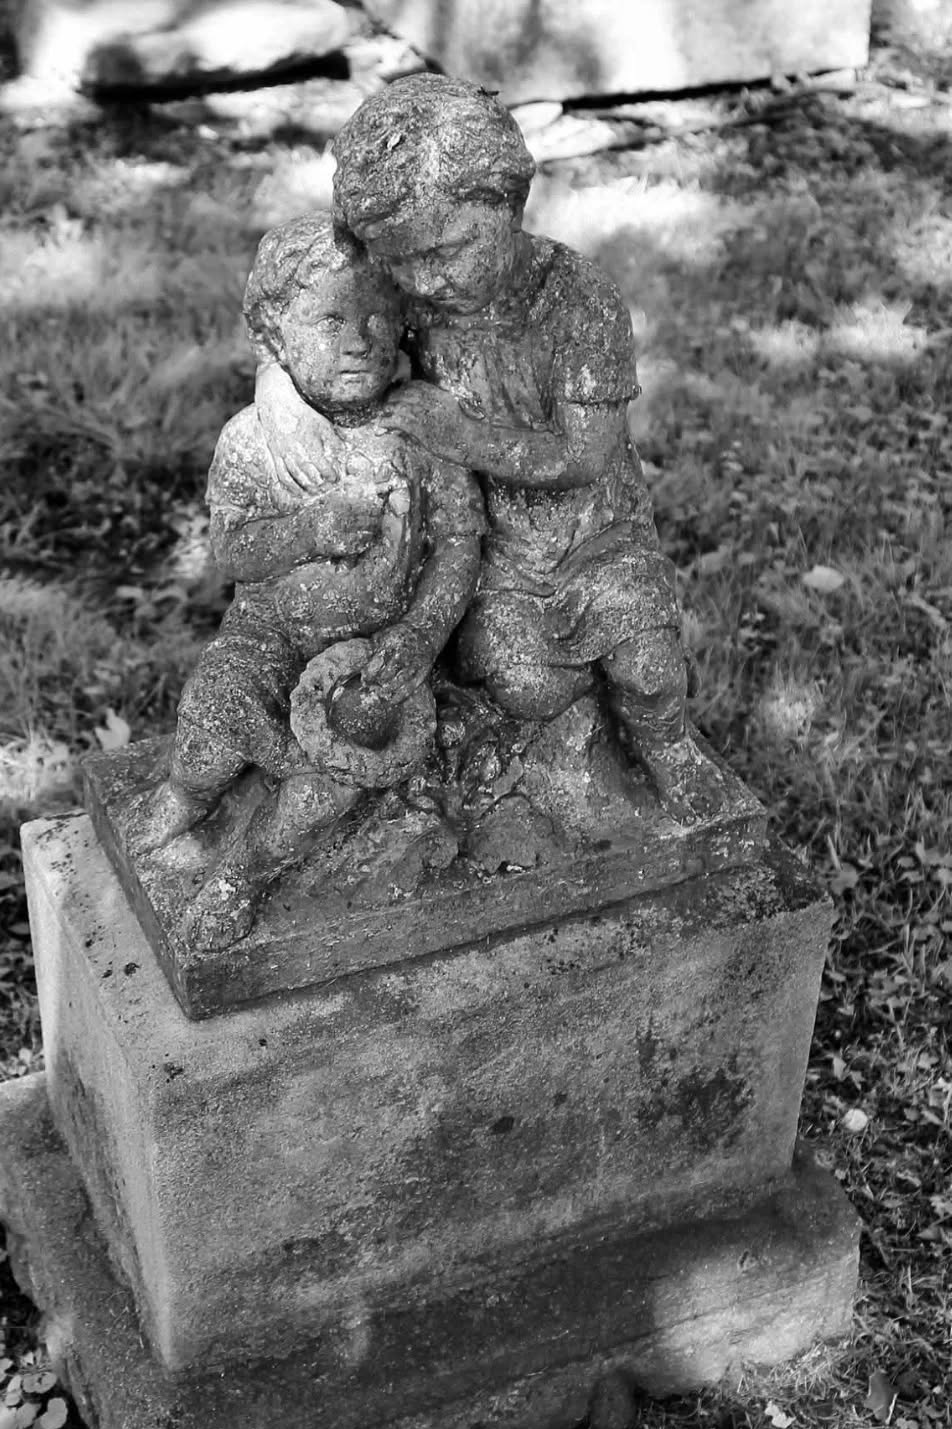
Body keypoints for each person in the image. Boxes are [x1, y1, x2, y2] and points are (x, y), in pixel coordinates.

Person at [260, 74, 727, 825]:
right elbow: (312, 344)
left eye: (448, 251)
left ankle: (667, 751)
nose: (427, 280)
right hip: (488, 552)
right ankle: (552, 742)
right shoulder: (410, 304)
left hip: (594, 540)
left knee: (646, 669)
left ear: (507, 205)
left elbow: (585, 455)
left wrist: (458, 434)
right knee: (525, 684)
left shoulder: (577, 300)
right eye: (401, 263)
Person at [137, 211, 484, 945]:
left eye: (377, 319)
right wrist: (309, 530)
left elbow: (457, 545)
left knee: (332, 777)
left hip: (372, 649)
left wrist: (419, 637)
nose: (358, 340)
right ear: (276, 336)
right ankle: (187, 795)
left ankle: (242, 875)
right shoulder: (255, 440)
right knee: (211, 718)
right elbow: (230, 551)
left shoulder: (420, 433)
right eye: (329, 320)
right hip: (268, 635)